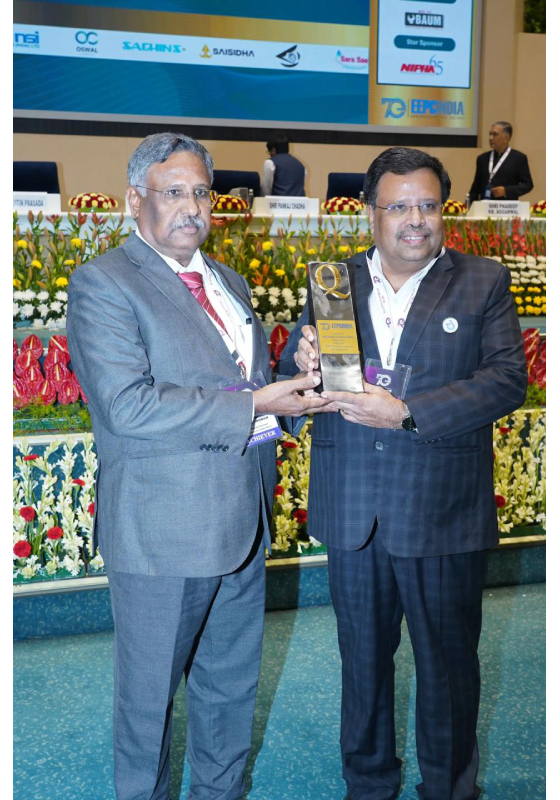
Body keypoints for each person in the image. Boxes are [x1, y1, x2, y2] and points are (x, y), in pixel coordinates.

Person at [67, 132, 329, 800]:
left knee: (229, 698)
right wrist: (256, 402)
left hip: (243, 523)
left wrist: (299, 384)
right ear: (136, 200)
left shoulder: (229, 282)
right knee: (148, 708)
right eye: (174, 192)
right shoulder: (104, 281)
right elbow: (126, 407)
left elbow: (251, 395)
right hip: (162, 534)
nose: (192, 207)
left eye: (202, 193)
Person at [279, 147, 528, 800]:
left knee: (448, 667)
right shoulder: (332, 281)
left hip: (440, 509)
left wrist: (407, 412)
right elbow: (294, 381)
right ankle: (368, 785)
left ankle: (449, 789)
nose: (415, 219)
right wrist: (301, 366)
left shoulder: (481, 281)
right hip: (353, 508)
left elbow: (507, 379)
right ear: (371, 213)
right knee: (361, 664)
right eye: (399, 207)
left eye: (428, 205)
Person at [469, 121, 533, 201]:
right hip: (484, 206)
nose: (491, 138)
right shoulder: (482, 158)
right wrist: (468, 205)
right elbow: (475, 187)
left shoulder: (519, 158)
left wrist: (506, 190)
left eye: (495, 134)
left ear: (506, 138)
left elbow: (528, 185)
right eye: (490, 134)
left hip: (507, 207)